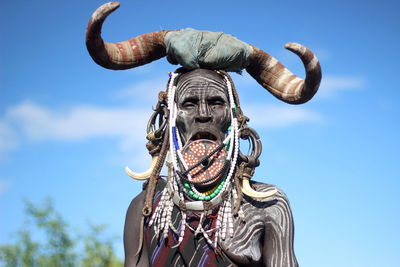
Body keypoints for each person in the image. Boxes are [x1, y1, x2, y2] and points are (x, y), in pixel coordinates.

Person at [85, 3, 321, 266]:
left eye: (217, 102)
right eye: (189, 104)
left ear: (233, 118)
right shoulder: (145, 207)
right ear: (171, 118)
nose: (204, 114)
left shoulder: (268, 206)